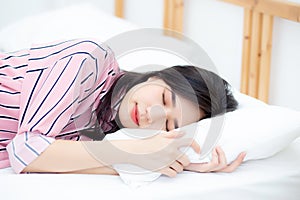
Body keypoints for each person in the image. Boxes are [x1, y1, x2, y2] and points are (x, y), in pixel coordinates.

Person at [0, 38, 245, 177]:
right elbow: (26, 151)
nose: (153, 114)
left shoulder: (107, 128)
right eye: (164, 98)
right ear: (157, 76)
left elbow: (49, 160)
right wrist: (134, 152)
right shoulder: (89, 61)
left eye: (169, 124)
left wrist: (169, 163)